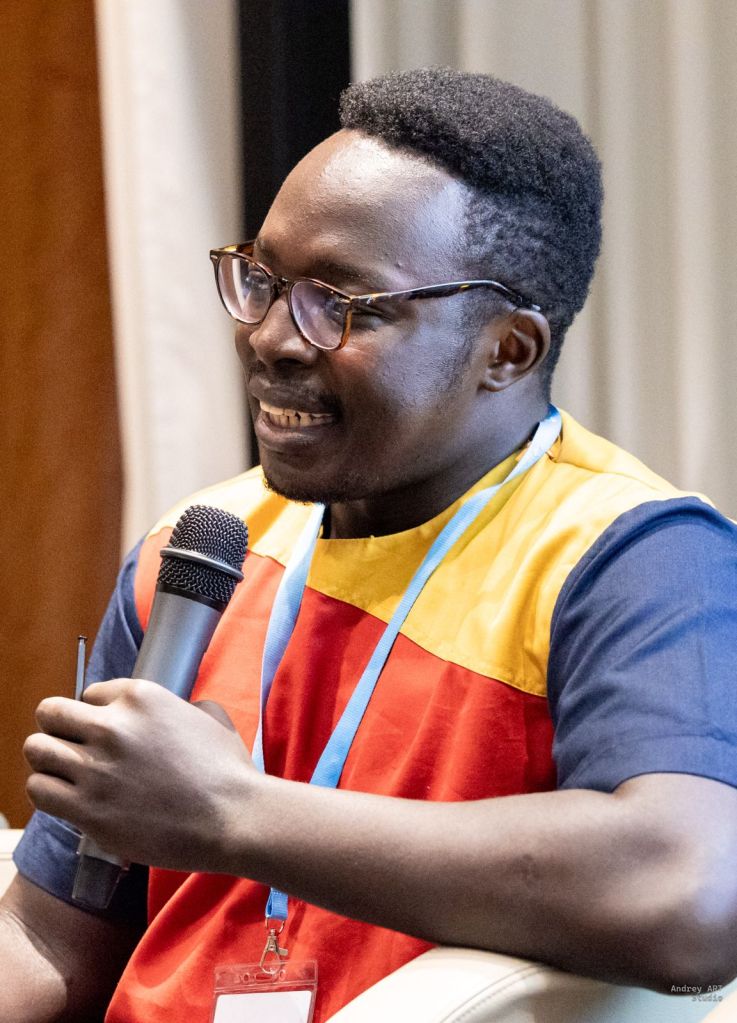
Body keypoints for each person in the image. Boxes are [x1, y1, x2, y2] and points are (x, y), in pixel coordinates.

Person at [2, 67, 736, 1023]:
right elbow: (51, 942)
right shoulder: (197, 550)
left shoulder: (630, 556)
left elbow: (688, 894)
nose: (271, 338)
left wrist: (231, 812)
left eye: (343, 304)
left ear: (506, 350)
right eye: (263, 282)